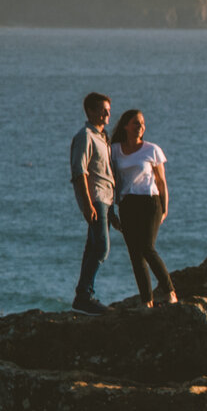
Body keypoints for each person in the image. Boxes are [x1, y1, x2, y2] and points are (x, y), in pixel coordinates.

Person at [108, 108, 177, 306]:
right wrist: (111, 210)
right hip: (127, 204)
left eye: (143, 123)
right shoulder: (114, 150)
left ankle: (170, 291)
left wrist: (164, 208)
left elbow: (161, 182)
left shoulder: (152, 149)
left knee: (147, 247)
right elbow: (111, 181)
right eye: (136, 123)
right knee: (135, 255)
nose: (141, 127)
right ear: (126, 126)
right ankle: (147, 300)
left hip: (150, 202)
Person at [67, 92, 115, 312]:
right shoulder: (86, 136)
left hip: (105, 198)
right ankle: (85, 295)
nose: (108, 113)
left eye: (108, 110)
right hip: (95, 198)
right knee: (101, 249)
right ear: (91, 112)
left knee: (92, 247)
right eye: (103, 110)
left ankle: (83, 295)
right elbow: (80, 172)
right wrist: (87, 204)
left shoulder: (102, 137)